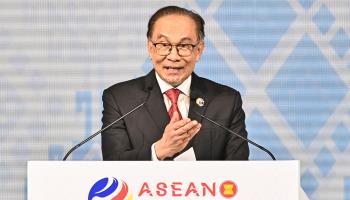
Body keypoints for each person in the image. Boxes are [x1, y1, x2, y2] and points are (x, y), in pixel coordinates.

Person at [101, 5, 249, 160]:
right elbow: (113, 163)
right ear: (150, 48)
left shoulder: (226, 101)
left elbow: (239, 169)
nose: (173, 56)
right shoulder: (120, 99)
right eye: (164, 45)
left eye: (184, 46)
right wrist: (159, 151)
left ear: (198, 50)